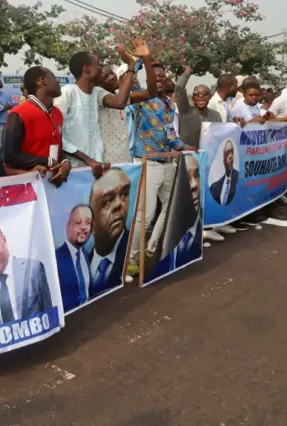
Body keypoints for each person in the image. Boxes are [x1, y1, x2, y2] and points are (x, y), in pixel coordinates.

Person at [128, 63, 195, 276]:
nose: (159, 78)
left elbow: (169, 135)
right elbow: (131, 80)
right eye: (155, 75)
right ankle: (131, 258)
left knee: (171, 207)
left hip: (168, 162)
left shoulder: (168, 104)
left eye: (162, 75)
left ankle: (151, 247)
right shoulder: (142, 98)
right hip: (148, 162)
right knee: (144, 216)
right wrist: (136, 62)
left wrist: (185, 147)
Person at [3, 66, 71, 187]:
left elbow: (57, 146)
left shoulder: (57, 113)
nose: (58, 81)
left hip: (53, 184)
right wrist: (46, 161)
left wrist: (65, 162)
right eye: (54, 77)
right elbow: (10, 155)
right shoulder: (19, 113)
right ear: (42, 81)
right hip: (27, 189)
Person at [99, 40, 158, 163]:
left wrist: (146, 58)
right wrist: (131, 65)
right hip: (105, 162)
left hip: (125, 159)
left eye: (111, 73)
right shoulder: (98, 96)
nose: (111, 77)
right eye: (105, 77)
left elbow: (151, 92)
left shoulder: (120, 96)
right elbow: (119, 103)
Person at [89, 167, 131, 295]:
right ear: (91, 223)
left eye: (124, 194)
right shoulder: (80, 262)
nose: (119, 204)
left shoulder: (130, 248)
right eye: (107, 201)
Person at [55, 204, 92, 312]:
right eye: (78, 222)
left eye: (88, 223)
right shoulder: (56, 259)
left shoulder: (86, 254)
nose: (84, 227)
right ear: (68, 227)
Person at [210, 140, 239, 206]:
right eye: (228, 152)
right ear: (223, 158)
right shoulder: (214, 187)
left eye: (232, 152)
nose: (231, 156)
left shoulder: (239, 178)